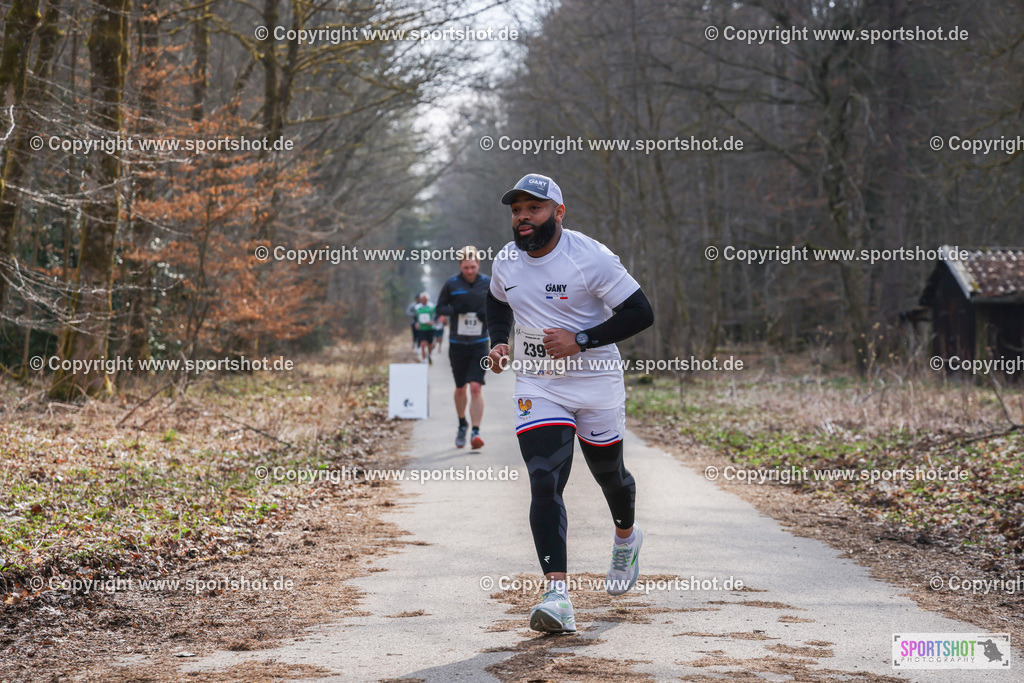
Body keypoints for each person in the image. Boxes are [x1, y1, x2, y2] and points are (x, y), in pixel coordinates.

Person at [485, 173, 654, 633]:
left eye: (533, 209)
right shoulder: (505, 260)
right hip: (539, 384)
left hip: (596, 380)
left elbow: (641, 312)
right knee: (545, 480)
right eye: (517, 210)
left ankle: (625, 538)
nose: (522, 217)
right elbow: (497, 301)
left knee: (609, 476)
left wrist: (582, 339)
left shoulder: (590, 258)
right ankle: (557, 595)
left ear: (558, 213)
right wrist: (499, 342)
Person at [436, 246, 490, 449]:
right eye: (466, 267)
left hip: (479, 343)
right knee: (461, 387)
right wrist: (455, 310)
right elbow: (439, 308)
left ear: (478, 265)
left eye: (473, 267)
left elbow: (499, 307)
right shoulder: (451, 284)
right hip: (458, 344)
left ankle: (476, 432)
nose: (469, 270)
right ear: (460, 266)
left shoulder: (488, 283)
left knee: (476, 387)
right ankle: (462, 424)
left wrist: (485, 315)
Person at [411, 292, 436, 363]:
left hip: (430, 328)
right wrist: (416, 323)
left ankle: (429, 355)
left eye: (426, 299)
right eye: (423, 299)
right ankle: (424, 360)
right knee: (422, 344)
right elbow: (415, 316)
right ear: (421, 299)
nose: (424, 300)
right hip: (421, 329)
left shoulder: (432, 306)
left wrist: (433, 321)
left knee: (430, 345)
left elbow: (437, 315)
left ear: (428, 299)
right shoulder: (417, 307)